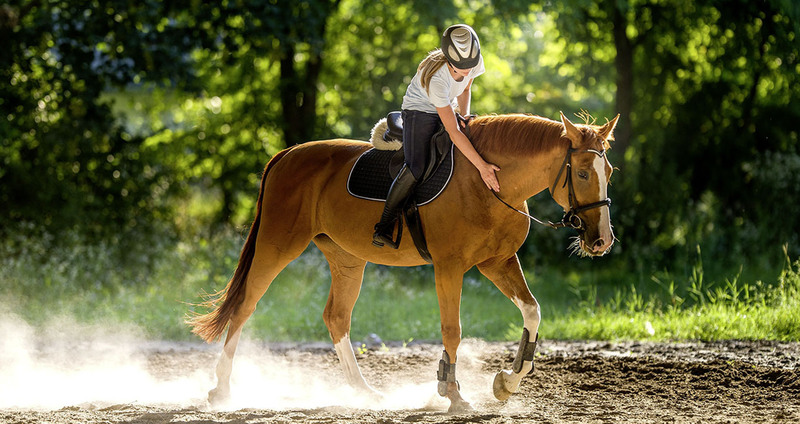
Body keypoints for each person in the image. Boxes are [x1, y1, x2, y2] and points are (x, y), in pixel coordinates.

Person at [373, 24, 501, 249]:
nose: (468, 71)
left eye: (471, 66)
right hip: (419, 110)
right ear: (450, 61)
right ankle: (383, 226)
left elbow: (465, 89)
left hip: (446, 104)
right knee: (417, 167)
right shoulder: (436, 79)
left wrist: (465, 115)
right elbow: (453, 132)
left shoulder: (472, 61)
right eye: (462, 68)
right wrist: (482, 166)